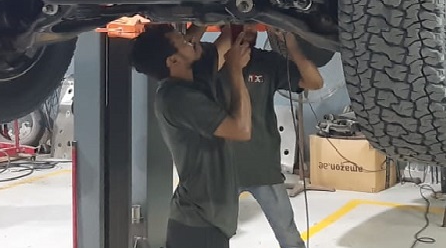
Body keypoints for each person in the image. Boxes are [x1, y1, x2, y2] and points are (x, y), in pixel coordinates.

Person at [129, 22, 253, 248]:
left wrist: (208, 17)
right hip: (198, 224)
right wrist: (235, 71)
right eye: (183, 41)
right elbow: (241, 130)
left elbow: (227, 39)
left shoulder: (196, 74)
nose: (191, 40)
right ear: (173, 61)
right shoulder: (176, 98)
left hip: (206, 220)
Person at [229, 27, 325, 248]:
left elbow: (315, 82)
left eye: (253, 24)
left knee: (289, 236)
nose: (249, 29)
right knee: (215, 236)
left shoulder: (267, 62)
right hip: (222, 170)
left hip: (264, 167)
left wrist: (292, 46)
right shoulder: (209, 59)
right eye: (243, 23)